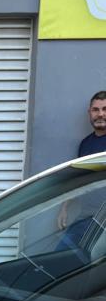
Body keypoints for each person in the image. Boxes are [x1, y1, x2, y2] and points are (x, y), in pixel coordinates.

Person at [57, 91, 106, 248]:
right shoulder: (85, 144)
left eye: (105, 109)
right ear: (89, 113)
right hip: (87, 217)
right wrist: (64, 207)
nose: (100, 114)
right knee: (63, 254)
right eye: (96, 110)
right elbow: (78, 179)